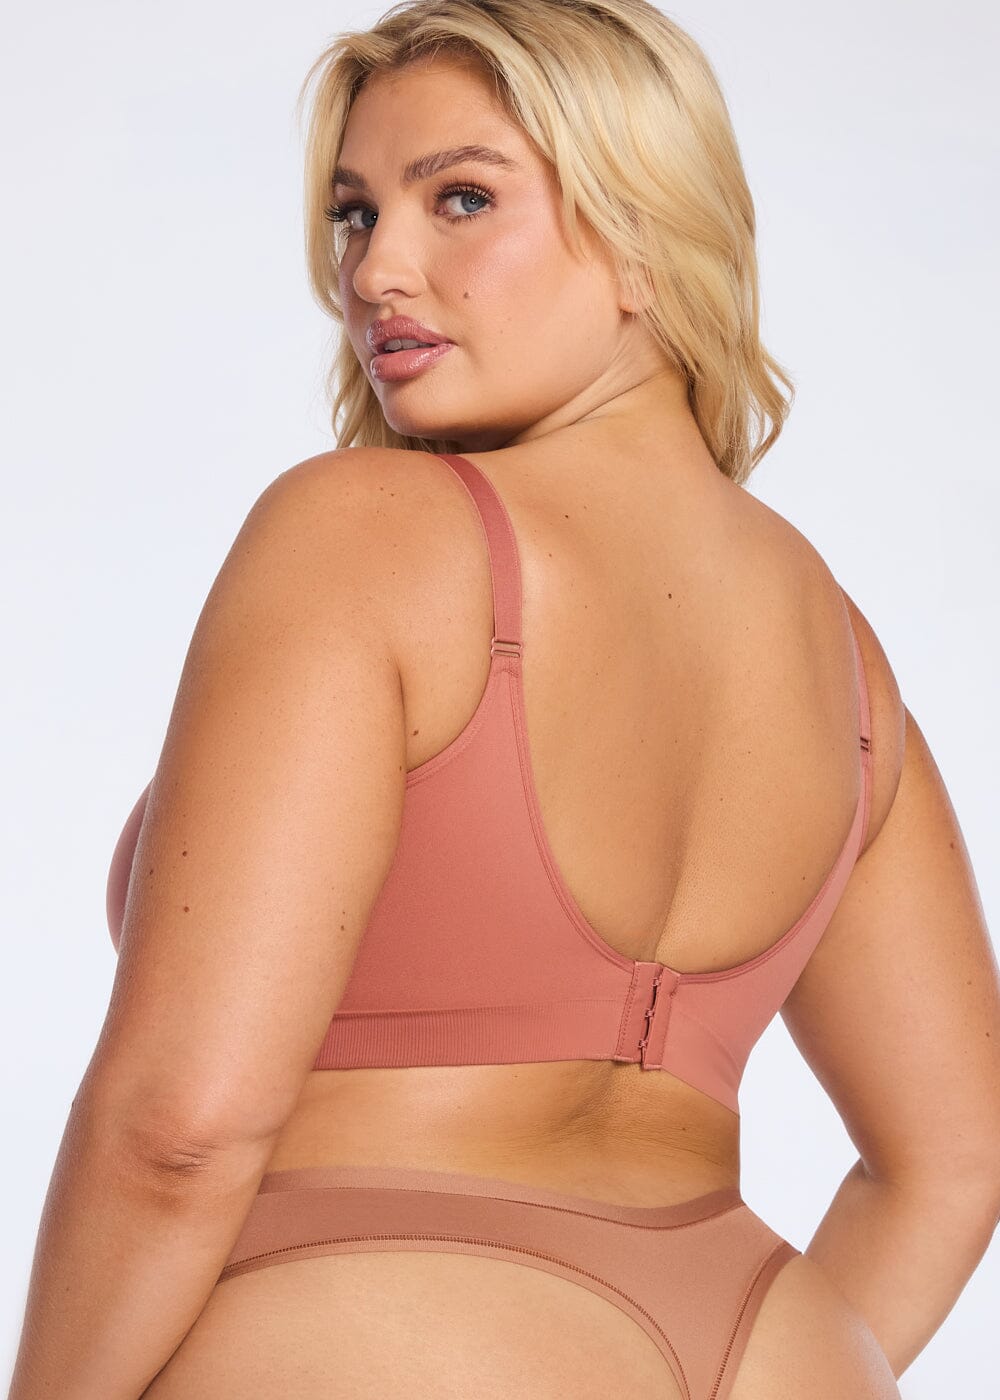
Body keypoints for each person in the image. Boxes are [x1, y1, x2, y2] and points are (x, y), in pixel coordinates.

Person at [8, 3, 999, 1399]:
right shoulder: (844, 656)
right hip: (775, 1348)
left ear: (646, 234)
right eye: (355, 214)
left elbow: (179, 1130)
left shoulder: (364, 535)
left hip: (393, 1338)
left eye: (461, 199)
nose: (376, 271)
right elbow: (956, 1159)